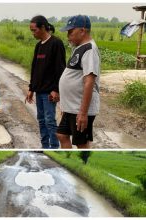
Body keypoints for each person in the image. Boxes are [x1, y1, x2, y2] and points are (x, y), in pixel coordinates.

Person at [57, 15, 100, 149]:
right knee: (62, 135)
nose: (68, 36)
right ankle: (69, 159)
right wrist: (65, 106)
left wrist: (83, 113)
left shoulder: (89, 50)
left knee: (81, 143)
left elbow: (89, 81)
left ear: (82, 31)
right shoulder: (80, 48)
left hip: (79, 109)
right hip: (71, 107)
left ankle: (82, 165)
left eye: (71, 32)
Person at [26, 15, 66, 149]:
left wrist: (56, 89)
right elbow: (35, 69)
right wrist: (31, 89)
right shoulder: (38, 46)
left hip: (49, 92)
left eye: (34, 30)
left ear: (43, 27)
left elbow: (60, 69)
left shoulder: (56, 43)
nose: (33, 33)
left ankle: (54, 148)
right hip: (39, 91)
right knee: (41, 120)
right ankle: (44, 146)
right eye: (31, 30)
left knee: (50, 121)